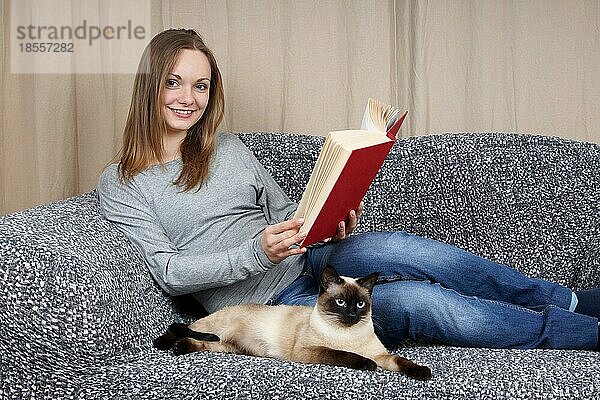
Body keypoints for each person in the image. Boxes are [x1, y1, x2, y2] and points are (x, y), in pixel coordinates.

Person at [97, 28, 600, 350]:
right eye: (174, 83)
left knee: (400, 247)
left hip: (313, 258)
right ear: (150, 85)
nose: (189, 98)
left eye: (201, 86)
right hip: (278, 301)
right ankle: (584, 334)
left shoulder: (228, 149)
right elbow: (169, 272)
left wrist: (325, 214)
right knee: (420, 304)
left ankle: (573, 301)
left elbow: (283, 211)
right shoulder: (121, 182)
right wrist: (256, 252)